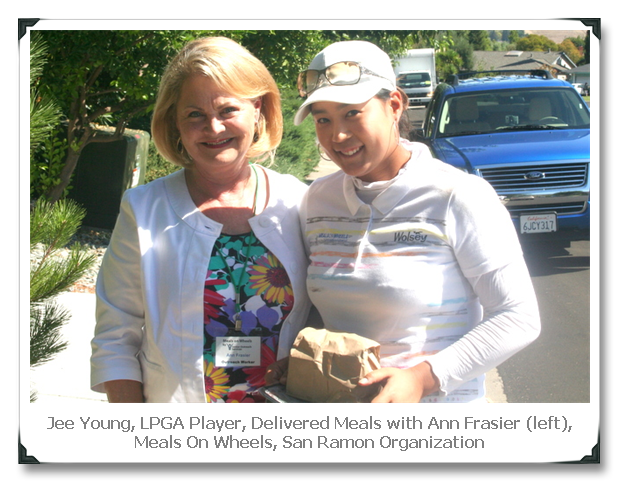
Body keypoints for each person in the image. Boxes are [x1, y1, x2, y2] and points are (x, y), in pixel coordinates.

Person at [278, 40, 541, 403]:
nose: (337, 135)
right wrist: (301, 360)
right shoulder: (317, 200)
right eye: (323, 119)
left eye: (352, 113)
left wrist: (422, 379)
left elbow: (518, 316)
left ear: (395, 105)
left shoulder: (458, 195)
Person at [90, 37, 312, 403]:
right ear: (175, 123)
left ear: (257, 110)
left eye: (227, 110)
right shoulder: (144, 209)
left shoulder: (298, 202)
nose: (214, 127)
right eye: (194, 114)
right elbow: (115, 337)